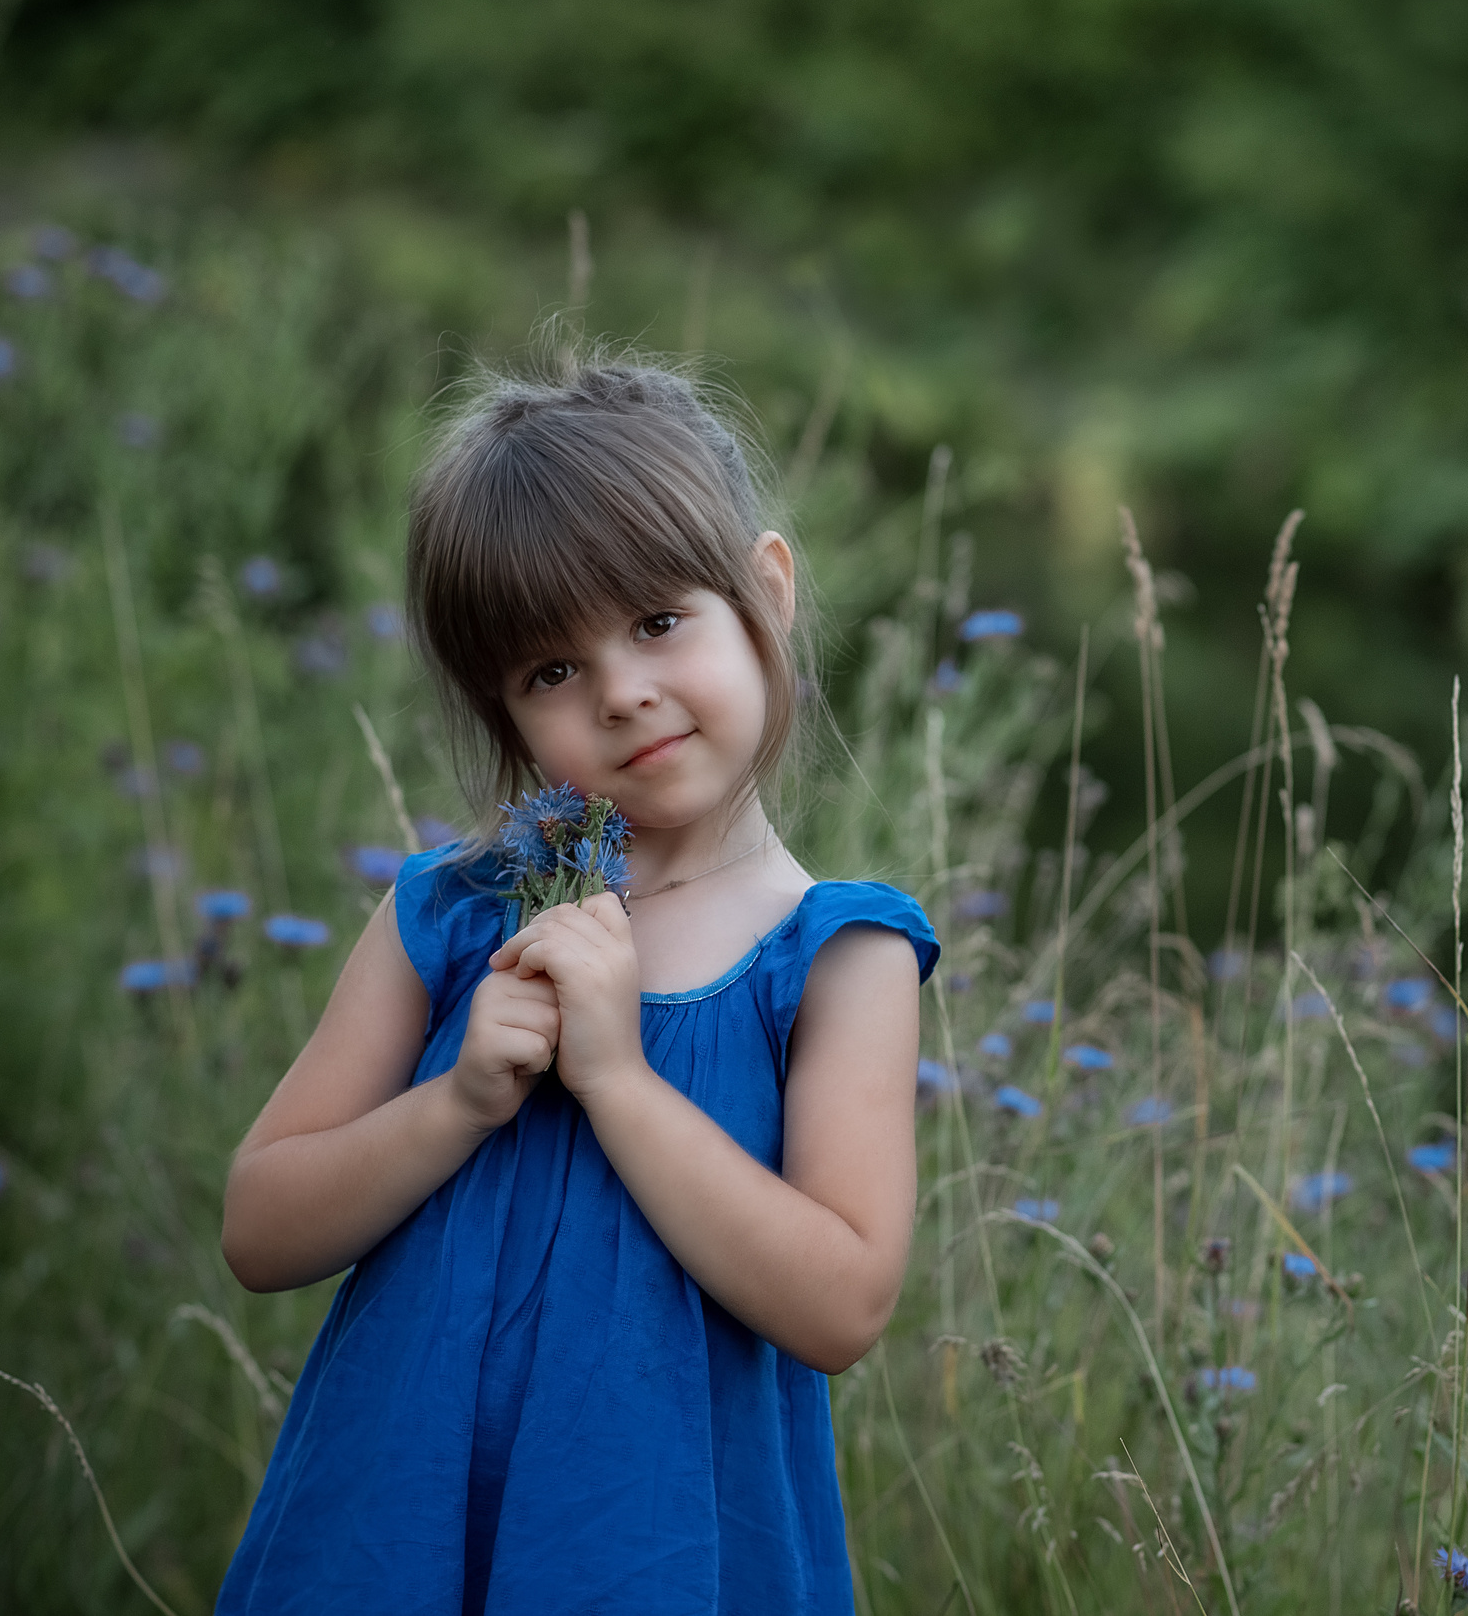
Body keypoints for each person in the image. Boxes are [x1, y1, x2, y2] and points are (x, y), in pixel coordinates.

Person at [215, 348, 936, 1614]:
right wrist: (456, 1104)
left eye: (659, 621)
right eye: (552, 671)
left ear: (764, 593)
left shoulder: (839, 955)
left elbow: (842, 1302)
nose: (622, 692)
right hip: (396, 1533)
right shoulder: (450, 912)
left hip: (659, 1551)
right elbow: (260, 1228)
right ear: (507, 716)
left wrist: (614, 1077)